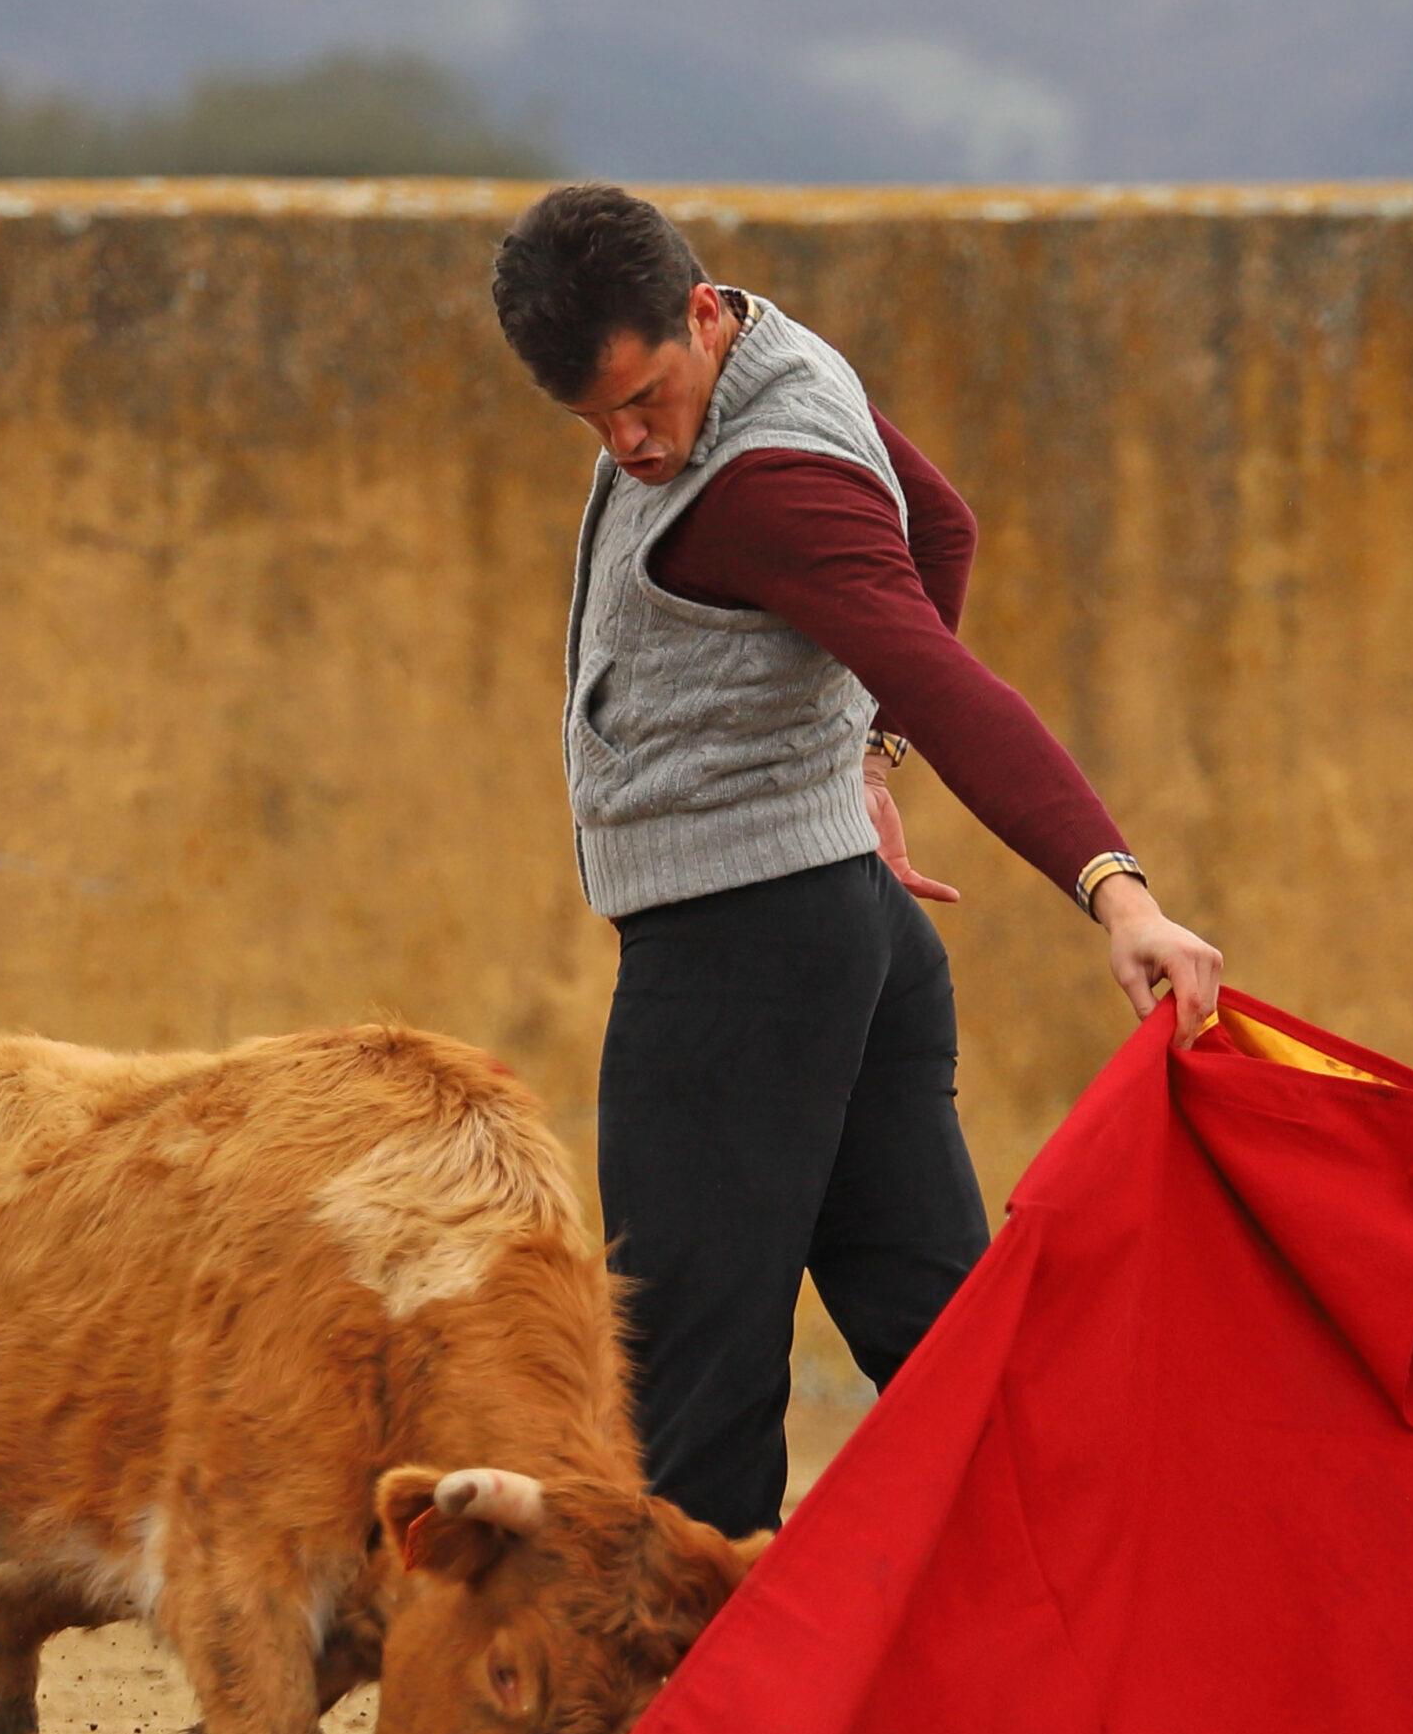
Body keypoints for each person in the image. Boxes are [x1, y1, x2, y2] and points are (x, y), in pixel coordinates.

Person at [490, 183, 1223, 1537]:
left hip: (735, 960)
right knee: (953, 1358)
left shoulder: (765, 491)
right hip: (850, 937)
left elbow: (943, 680)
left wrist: (1116, 893)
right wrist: (861, 763)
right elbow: (942, 529)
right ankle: (1115, 1607)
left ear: (699, 315)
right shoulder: (780, 356)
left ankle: (699, 1686)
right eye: (593, 421)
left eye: (643, 399)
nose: (631, 445)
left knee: (689, 1405)